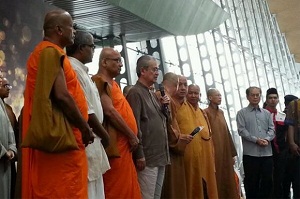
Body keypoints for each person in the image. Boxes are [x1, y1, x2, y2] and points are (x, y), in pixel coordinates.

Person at [21, 10, 95, 198]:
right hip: (62, 140)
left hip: (67, 138)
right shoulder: (49, 52)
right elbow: (61, 95)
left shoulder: (49, 52)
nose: (74, 32)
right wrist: (84, 126)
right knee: (61, 191)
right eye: (71, 27)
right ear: (59, 30)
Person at [66, 30, 110, 199]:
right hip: (87, 136)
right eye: (92, 46)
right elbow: (86, 109)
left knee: (96, 190)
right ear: (82, 48)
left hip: (93, 138)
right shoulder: (72, 69)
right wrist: (104, 134)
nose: (94, 49)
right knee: (89, 191)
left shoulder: (82, 70)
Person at [92, 47, 141, 199]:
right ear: (104, 62)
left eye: (121, 61)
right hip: (115, 147)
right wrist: (131, 135)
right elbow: (110, 111)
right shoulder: (99, 81)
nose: (121, 64)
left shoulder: (115, 85)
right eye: (117, 60)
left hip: (125, 147)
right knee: (116, 190)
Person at [126, 55, 170, 199]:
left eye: (158, 69)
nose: (157, 73)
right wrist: (139, 154)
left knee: (156, 196)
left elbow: (162, 121)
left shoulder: (151, 93)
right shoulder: (135, 93)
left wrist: (164, 107)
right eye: (154, 69)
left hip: (160, 155)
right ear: (143, 71)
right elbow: (134, 125)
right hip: (148, 158)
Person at [175, 78, 218, 199]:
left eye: (196, 93)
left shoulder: (202, 112)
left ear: (200, 95)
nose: (193, 95)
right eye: (191, 92)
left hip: (206, 157)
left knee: (208, 188)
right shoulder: (180, 108)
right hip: (188, 156)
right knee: (192, 186)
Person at [236, 86, 275, 199]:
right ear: (247, 97)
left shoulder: (267, 113)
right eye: (253, 95)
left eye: (257, 95)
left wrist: (267, 139)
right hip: (251, 154)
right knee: (251, 184)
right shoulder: (241, 113)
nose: (255, 97)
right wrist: (256, 140)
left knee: (267, 183)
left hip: (267, 154)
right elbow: (241, 130)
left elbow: (272, 129)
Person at [160, 72, 193, 199]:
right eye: (181, 85)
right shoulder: (166, 99)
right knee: (172, 188)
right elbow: (169, 126)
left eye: (186, 85)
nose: (183, 88)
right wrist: (180, 139)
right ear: (176, 85)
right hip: (172, 149)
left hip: (177, 148)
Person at [204, 88, 239, 199]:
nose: (220, 97)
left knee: (228, 177)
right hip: (215, 151)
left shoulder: (221, 112)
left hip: (225, 150)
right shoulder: (206, 113)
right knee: (217, 177)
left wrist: (232, 153)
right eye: (217, 95)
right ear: (210, 98)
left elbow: (227, 132)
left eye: (220, 95)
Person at [264, 88, 289, 198]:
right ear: (266, 99)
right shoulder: (262, 115)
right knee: (267, 178)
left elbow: (288, 131)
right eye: (270, 98)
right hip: (266, 150)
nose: (273, 100)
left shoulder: (282, 116)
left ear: (278, 100)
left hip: (280, 151)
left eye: (275, 98)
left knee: (280, 177)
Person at [0, 77, 18, 199]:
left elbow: (10, 129)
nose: (8, 89)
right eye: (6, 86)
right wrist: (2, 151)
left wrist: (12, 148)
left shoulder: (4, 106)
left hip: (6, 159)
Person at [285, 95, 300, 198]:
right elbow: (290, 125)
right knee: (298, 181)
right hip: (297, 147)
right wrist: (291, 143)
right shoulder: (294, 104)